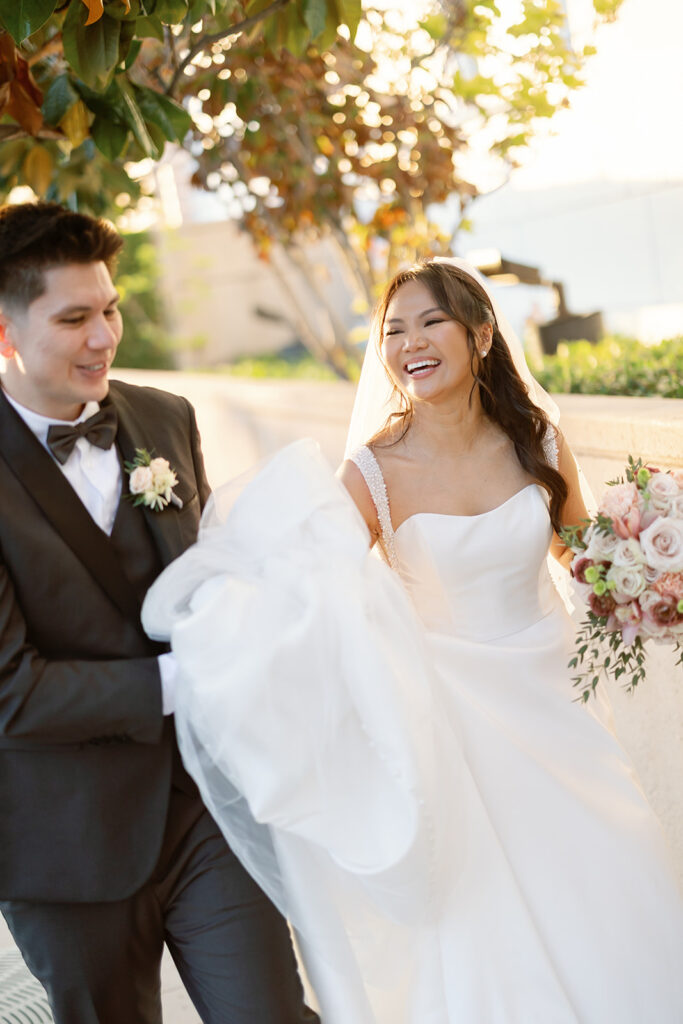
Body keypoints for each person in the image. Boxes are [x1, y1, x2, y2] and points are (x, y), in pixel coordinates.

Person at [142, 258, 683, 1022]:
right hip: (450, 722)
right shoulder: (372, 471)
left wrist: (653, 565)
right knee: (481, 918)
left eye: (431, 322)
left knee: (603, 877)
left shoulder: (535, 439)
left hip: (556, 709)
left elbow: (584, 561)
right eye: (393, 330)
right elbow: (315, 589)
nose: (408, 343)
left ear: (481, 335)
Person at [0, 201, 317, 1024]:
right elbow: (11, 693)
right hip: (65, 845)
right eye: (73, 319)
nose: (104, 337)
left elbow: (210, 582)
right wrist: (185, 678)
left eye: (108, 309)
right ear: (4, 333)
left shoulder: (163, 419)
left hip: (206, 810)